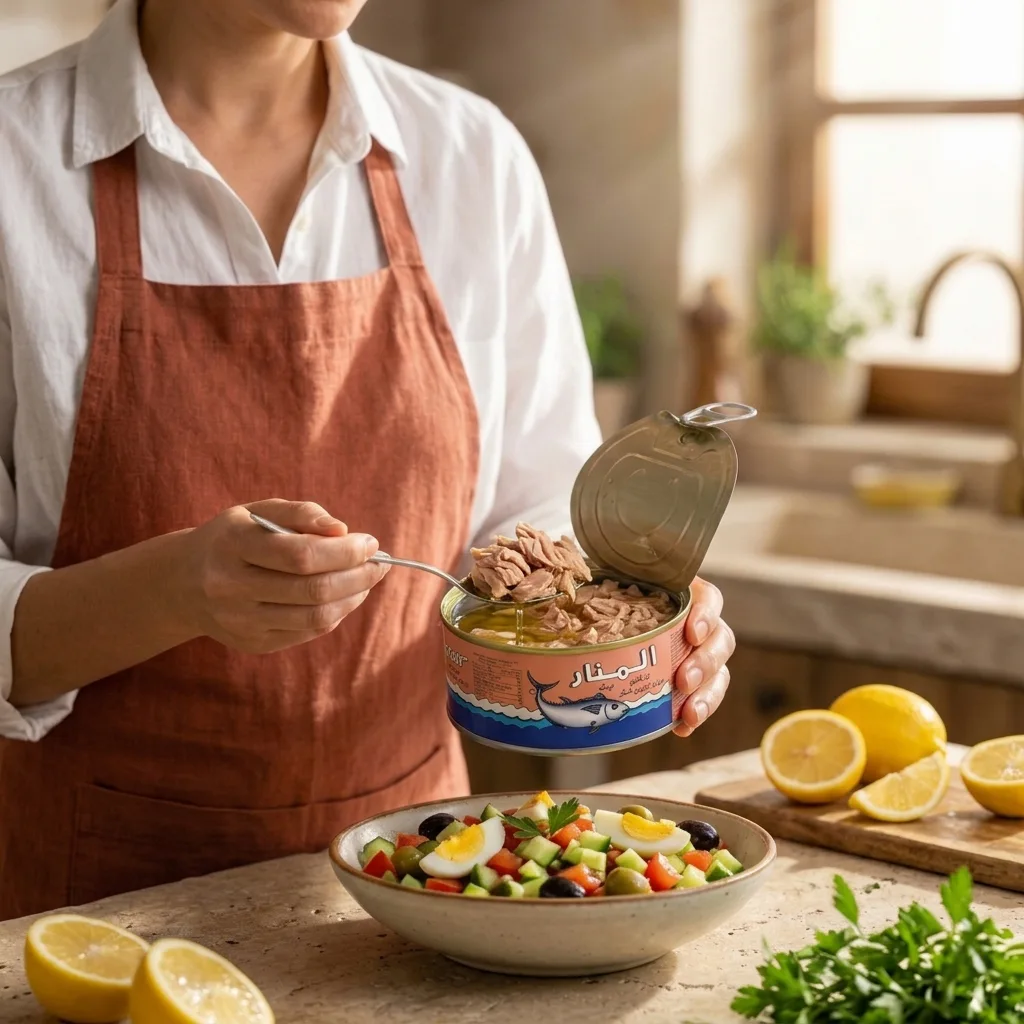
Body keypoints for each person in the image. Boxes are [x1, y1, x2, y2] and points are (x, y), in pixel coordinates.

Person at [0, 0, 736, 920]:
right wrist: (175, 591)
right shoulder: (13, 164)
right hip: (90, 912)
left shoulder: (472, 157)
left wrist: (622, 623)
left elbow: (540, 513)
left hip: (418, 886)